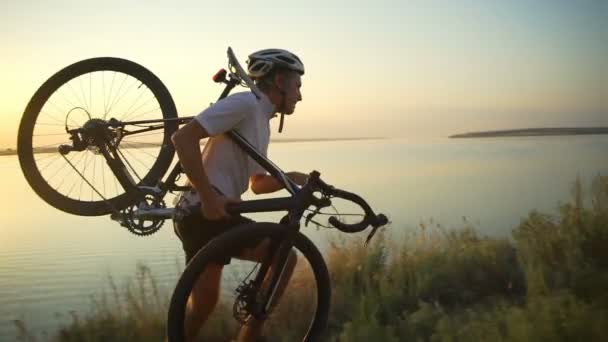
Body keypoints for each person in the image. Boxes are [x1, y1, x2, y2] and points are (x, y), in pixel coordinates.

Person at [171, 48, 308, 342]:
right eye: (297, 86)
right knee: (284, 256)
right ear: (280, 81)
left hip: (207, 213)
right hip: (202, 210)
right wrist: (208, 198)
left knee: (202, 306)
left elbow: (256, 183)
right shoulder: (246, 103)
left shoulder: (261, 121)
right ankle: (250, 337)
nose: (300, 95)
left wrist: (290, 178)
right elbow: (183, 138)